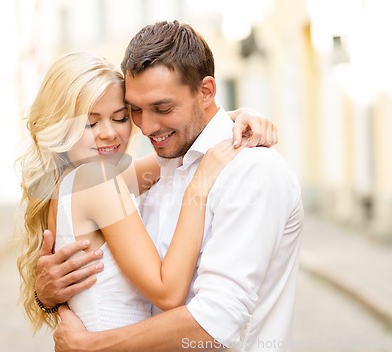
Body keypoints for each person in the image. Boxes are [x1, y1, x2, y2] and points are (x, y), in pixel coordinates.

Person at [48, 20, 303, 352]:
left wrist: (89, 346)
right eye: (135, 111)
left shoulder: (252, 171)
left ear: (206, 91)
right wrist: (49, 295)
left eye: (162, 108)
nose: (147, 127)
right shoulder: (160, 167)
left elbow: (215, 323)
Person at [17, 51, 276, 333]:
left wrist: (232, 118)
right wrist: (198, 190)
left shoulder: (73, 182)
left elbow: (184, 149)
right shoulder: (97, 179)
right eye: (90, 123)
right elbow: (168, 292)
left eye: (120, 118)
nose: (109, 134)